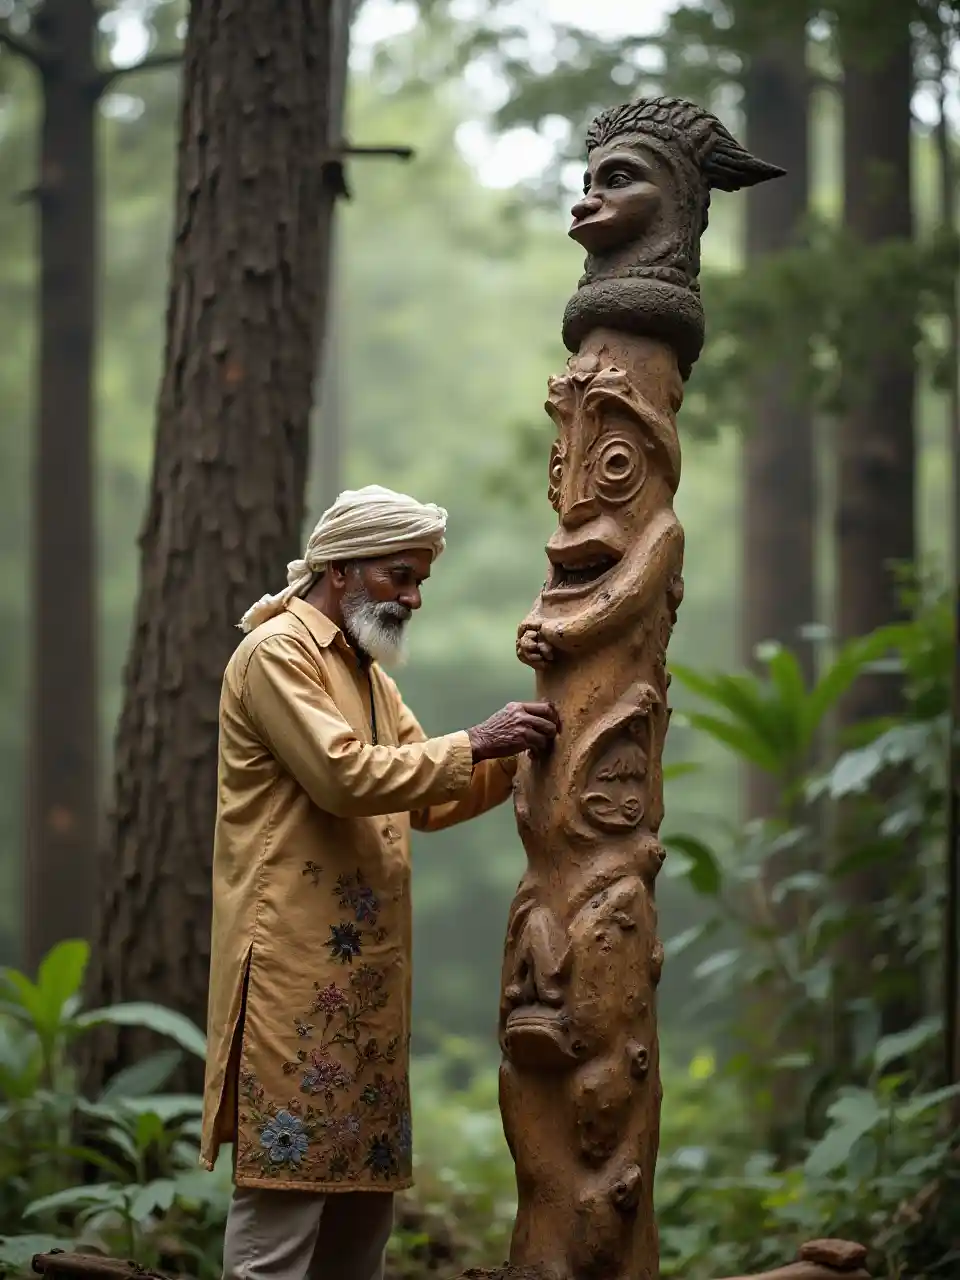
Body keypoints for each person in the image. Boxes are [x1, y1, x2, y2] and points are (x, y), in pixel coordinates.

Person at [200, 485, 560, 1280]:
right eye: (400, 575)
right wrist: (479, 738)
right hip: (291, 984)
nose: (414, 597)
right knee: (281, 1220)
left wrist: (529, 739)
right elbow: (344, 777)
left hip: (365, 988)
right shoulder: (276, 654)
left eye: (419, 578)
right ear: (339, 568)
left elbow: (426, 797)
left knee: (362, 1223)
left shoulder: (365, 676)